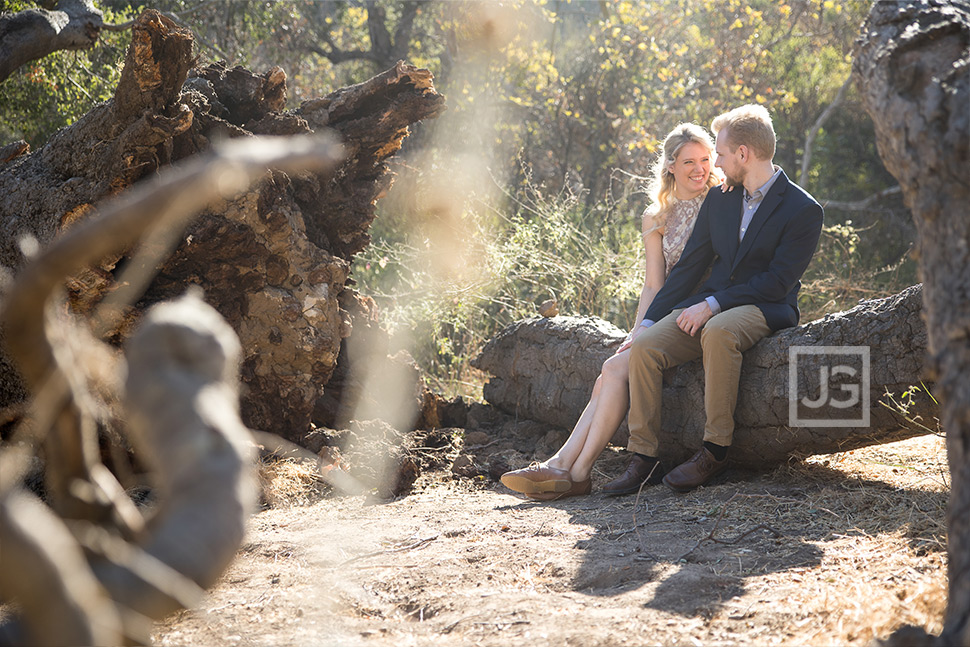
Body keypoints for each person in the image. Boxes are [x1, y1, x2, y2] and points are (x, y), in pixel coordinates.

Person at [602, 104, 824, 496]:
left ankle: (715, 450)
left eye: (719, 154)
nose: (716, 163)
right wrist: (647, 324)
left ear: (743, 154)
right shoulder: (721, 198)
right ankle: (644, 456)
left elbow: (777, 282)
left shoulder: (803, 209)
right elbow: (690, 266)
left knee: (718, 330)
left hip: (766, 306)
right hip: (713, 301)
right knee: (648, 347)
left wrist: (714, 304)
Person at [500, 122, 720, 500]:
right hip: (667, 314)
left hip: (703, 312)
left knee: (612, 369)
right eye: (689, 162)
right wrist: (636, 332)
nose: (699, 169)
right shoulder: (656, 217)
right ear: (670, 166)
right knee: (611, 372)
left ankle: (573, 469)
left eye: (705, 159)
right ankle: (565, 467)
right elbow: (654, 284)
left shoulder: (721, 201)